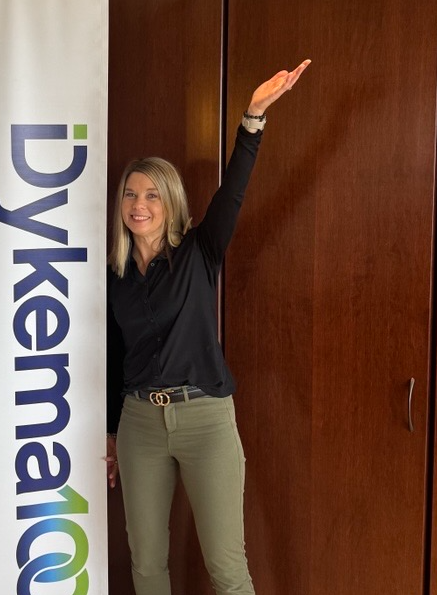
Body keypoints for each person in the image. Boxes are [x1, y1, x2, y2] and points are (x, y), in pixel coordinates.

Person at [105, 59, 311, 595]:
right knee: (146, 565)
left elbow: (235, 191)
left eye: (151, 195)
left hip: (206, 421)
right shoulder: (115, 276)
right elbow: (112, 356)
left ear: (170, 202)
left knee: (227, 568)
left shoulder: (200, 250)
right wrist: (111, 431)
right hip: (139, 425)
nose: (139, 205)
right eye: (130, 194)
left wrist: (253, 117)